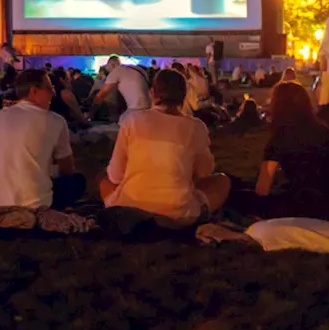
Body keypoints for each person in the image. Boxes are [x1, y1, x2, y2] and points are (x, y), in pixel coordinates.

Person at [98, 69, 230, 226]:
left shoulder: (133, 120)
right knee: (222, 181)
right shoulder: (196, 127)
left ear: (152, 92)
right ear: (185, 95)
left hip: (130, 206)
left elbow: (115, 175)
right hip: (179, 213)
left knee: (104, 179)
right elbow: (204, 172)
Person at [228, 81, 329, 225]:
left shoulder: (280, 139)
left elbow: (262, 190)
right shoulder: (323, 132)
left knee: (237, 197)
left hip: (315, 212)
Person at [0, 69, 84, 209]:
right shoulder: (56, 121)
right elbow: (68, 169)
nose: (53, 93)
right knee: (77, 182)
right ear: (34, 91)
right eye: (49, 88)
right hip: (33, 204)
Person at [90, 56, 152, 121]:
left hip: (136, 110)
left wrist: (90, 115)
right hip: (149, 109)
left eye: (108, 71)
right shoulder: (137, 69)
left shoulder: (116, 71)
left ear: (112, 65)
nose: (108, 74)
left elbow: (100, 96)